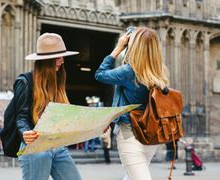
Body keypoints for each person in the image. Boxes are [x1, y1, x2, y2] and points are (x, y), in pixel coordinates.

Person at [95, 27, 170, 180]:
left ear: (134, 47)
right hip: (151, 136)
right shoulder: (160, 72)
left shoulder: (129, 71)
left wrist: (118, 48)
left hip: (130, 135)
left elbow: (100, 74)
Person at [14, 33, 82, 180]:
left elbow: (66, 116)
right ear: (46, 60)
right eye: (58, 57)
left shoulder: (58, 82)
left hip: (57, 146)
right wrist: (25, 132)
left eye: (62, 56)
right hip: (36, 147)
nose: (62, 61)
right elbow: (20, 117)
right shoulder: (25, 81)